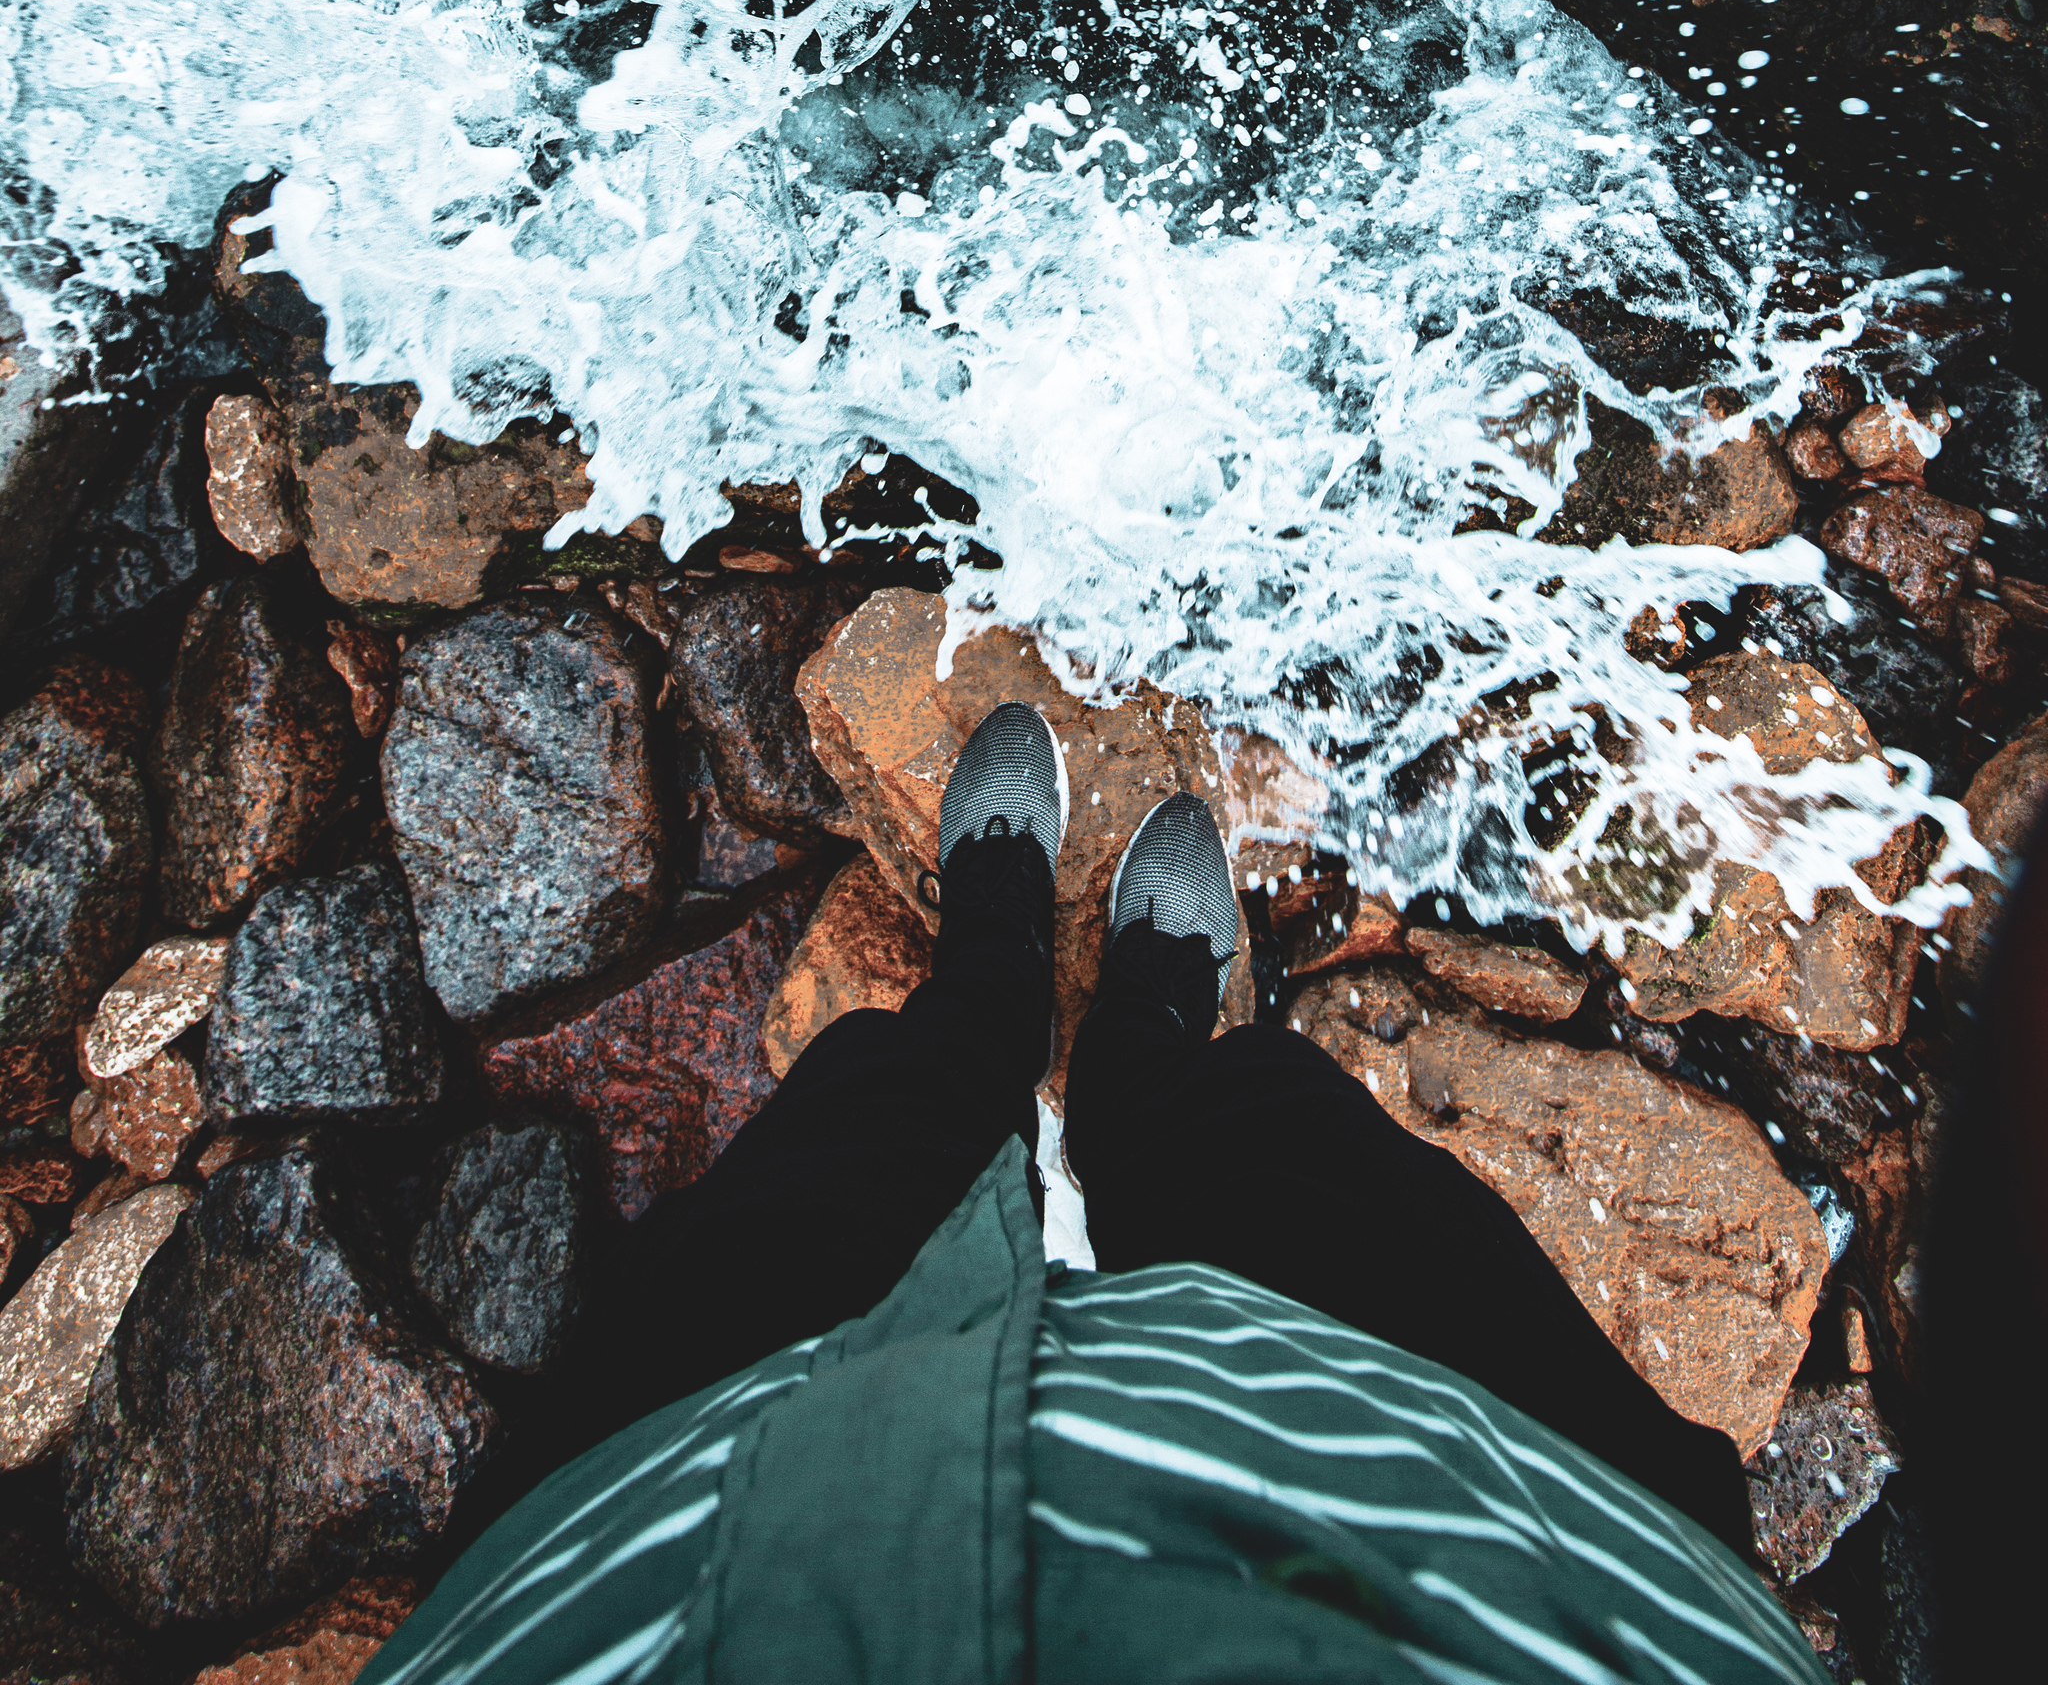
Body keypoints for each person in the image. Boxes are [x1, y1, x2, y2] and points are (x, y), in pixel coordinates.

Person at [366, 704, 1825, 1685]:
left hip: (686, 1518)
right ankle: (1145, 1032)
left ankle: (998, 963)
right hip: (1527, 1539)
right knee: (1294, 1169)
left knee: (858, 1148)